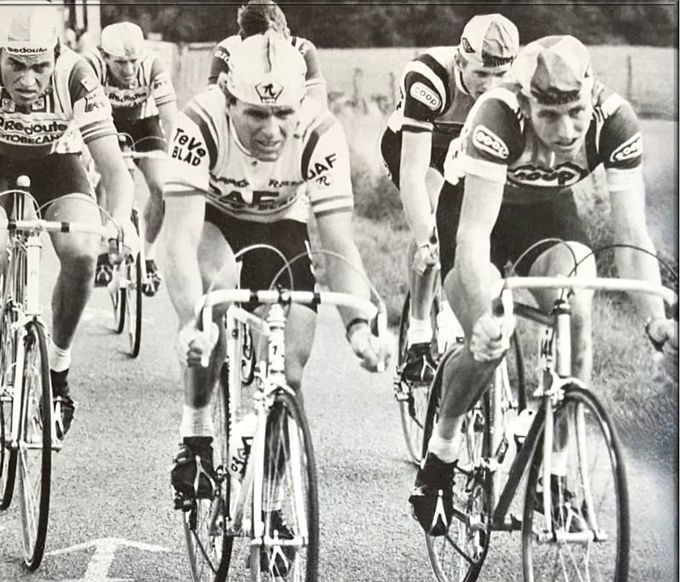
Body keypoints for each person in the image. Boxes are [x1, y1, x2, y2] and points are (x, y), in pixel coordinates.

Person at [409, 35, 678, 535]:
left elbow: (630, 235)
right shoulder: (497, 115)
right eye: (549, 116)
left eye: (576, 113)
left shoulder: (616, 122)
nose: (565, 130)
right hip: (475, 209)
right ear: (526, 101)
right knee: (487, 342)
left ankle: (552, 475)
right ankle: (440, 456)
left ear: (591, 96)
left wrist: (654, 320)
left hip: (545, 212)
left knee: (578, 302)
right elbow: (472, 237)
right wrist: (486, 314)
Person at [163, 33, 389, 506]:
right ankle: (196, 436)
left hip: (279, 224)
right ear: (228, 101)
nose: (271, 130)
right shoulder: (198, 122)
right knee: (216, 296)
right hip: (214, 219)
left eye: (284, 113)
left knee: (289, 371)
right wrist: (191, 322)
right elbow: (180, 239)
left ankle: (268, 502)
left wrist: (359, 327)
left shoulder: (321, 131)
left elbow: (337, 239)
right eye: (256, 114)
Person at [0, 4, 136, 459]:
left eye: (39, 66)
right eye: (16, 65)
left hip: (55, 163)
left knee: (84, 250)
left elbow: (115, 172)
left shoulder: (77, 75)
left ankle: (58, 368)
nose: (28, 80)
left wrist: (124, 218)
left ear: (57, 53)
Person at [380, 14, 519, 383]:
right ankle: (420, 332)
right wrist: (426, 235)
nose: (492, 87)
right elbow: (412, 171)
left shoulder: (517, 87)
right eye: (481, 75)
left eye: (500, 76)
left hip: (466, 148)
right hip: (417, 147)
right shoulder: (429, 77)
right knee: (432, 211)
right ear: (460, 62)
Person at [86, 21, 178, 296]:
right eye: (120, 63)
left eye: (133, 61)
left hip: (144, 123)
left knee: (161, 188)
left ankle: (147, 257)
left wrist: (176, 157)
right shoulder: (91, 65)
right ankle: (104, 250)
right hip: (105, 123)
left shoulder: (153, 65)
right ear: (104, 56)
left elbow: (171, 120)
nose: (128, 71)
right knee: (104, 180)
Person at [208, 0, 327, 107]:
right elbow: (212, 106)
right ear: (244, 40)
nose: (270, 51)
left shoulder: (302, 49)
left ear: (286, 34)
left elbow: (317, 106)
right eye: (260, 46)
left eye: (275, 43)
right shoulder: (228, 50)